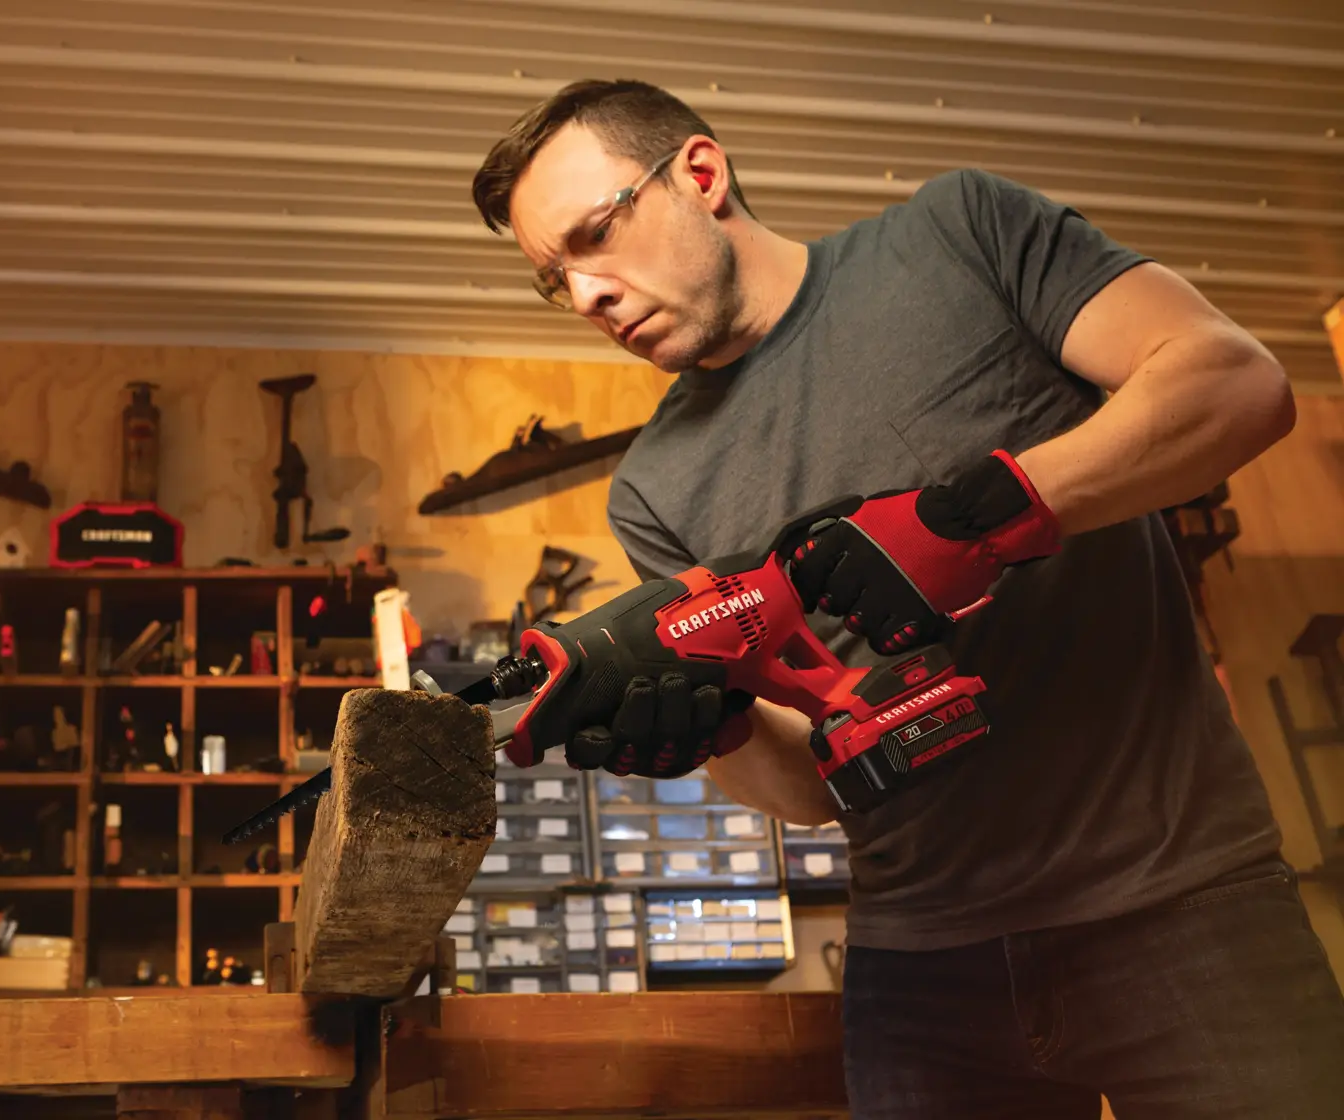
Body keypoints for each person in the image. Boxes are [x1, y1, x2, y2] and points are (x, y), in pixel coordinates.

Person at [470, 78, 1344, 1118]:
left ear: (699, 174)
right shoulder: (652, 488)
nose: (585, 296)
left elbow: (1236, 384)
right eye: (555, 280)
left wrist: (981, 517)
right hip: (921, 962)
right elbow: (811, 789)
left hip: (1181, 898)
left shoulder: (956, 234)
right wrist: (716, 729)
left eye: (594, 236)